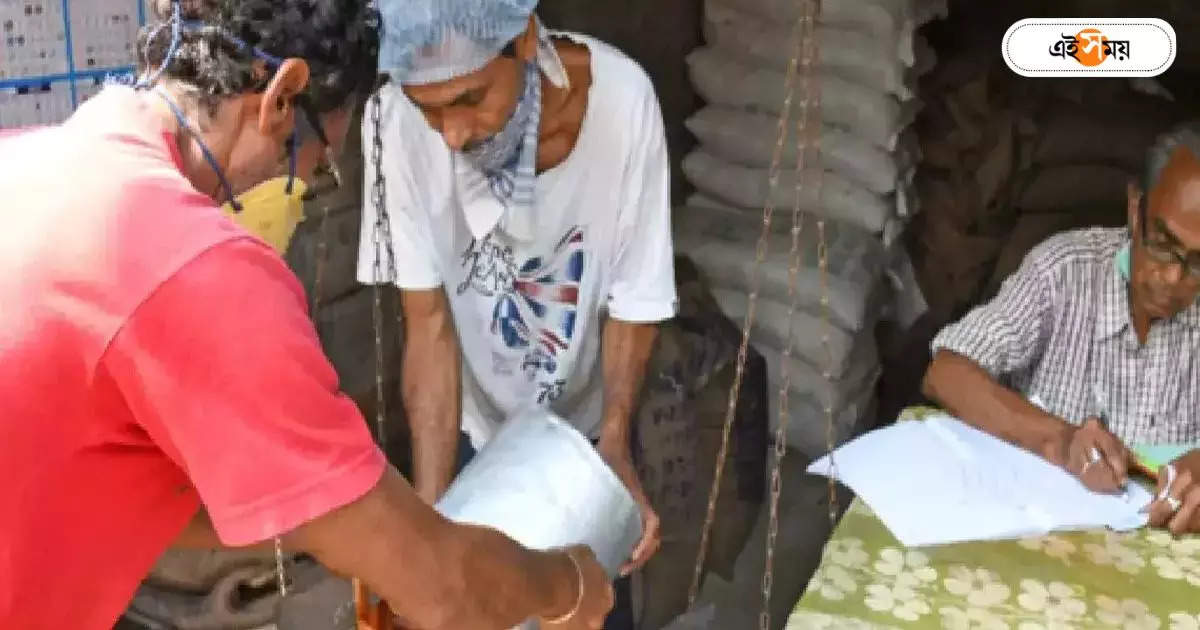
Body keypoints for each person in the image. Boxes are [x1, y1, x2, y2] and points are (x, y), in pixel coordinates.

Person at [0, 1, 614, 629]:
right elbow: (446, 592)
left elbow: (100, 499)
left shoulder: (26, 162)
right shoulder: (197, 268)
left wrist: (326, 522)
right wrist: (568, 586)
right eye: (318, 166)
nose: (303, 183)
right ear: (283, 95)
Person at [357, 1, 678, 625]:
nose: (452, 133)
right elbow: (428, 328)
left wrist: (614, 440)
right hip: (482, 432)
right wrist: (431, 515)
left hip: (587, 435)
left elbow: (636, 297)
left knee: (588, 603)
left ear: (525, 40)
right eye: (430, 110)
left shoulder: (623, 101)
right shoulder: (393, 125)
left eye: (470, 98)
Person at [923, 122, 1200, 536]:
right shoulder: (1063, 273)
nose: (1174, 277)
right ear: (1134, 207)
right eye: (1162, 244)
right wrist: (1061, 439)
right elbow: (947, 373)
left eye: (1198, 262)